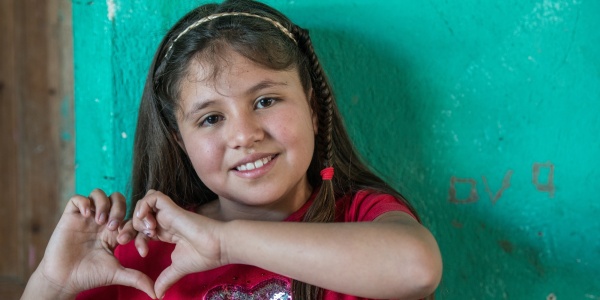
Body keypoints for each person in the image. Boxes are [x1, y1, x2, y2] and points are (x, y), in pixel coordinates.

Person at [22, 0, 442, 299]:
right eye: (211, 118)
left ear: (313, 109)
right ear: (179, 141)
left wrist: (224, 243)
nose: (244, 135)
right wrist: (54, 284)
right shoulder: (139, 257)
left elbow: (417, 269)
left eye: (265, 101)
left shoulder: (360, 221)